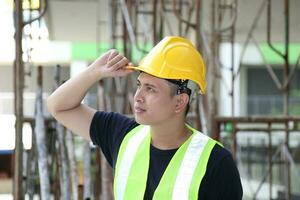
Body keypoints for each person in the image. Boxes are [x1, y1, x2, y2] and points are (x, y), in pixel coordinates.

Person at [47, 36, 243, 200]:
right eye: (139, 85)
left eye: (150, 89)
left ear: (179, 102)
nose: (138, 96)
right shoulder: (123, 135)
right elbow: (58, 106)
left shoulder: (216, 163)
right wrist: (95, 71)